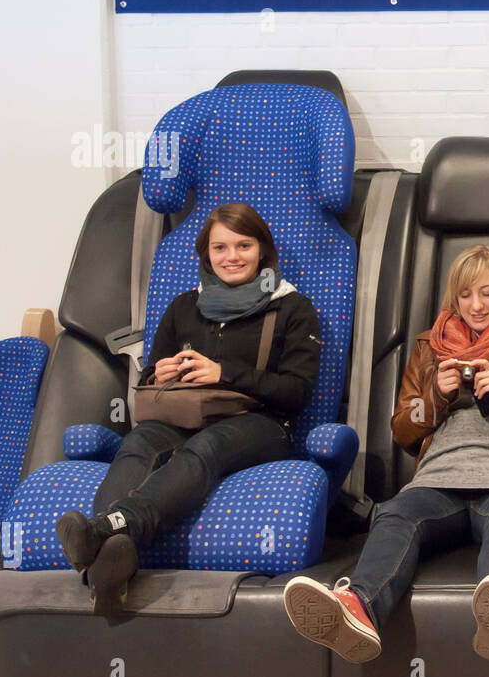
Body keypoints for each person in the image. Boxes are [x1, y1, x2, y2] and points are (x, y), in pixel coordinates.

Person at [283, 245, 489, 665]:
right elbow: (403, 430)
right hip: (439, 480)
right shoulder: (427, 347)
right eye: (465, 294)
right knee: (396, 512)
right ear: (453, 298)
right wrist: (436, 394)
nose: (476, 305)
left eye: (487, 293)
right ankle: (357, 608)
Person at [55, 202, 321, 611]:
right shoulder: (184, 306)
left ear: (263, 251)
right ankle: (111, 553)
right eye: (219, 248)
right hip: (183, 414)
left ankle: (107, 529)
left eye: (243, 245)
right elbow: (148, 379)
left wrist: (223, 372)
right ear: (206, 254)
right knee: (139, 441)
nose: (231, 257)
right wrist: (157, 375)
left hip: (263, 423)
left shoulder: (292, 308)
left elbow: (297, 392)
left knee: (205, 448)